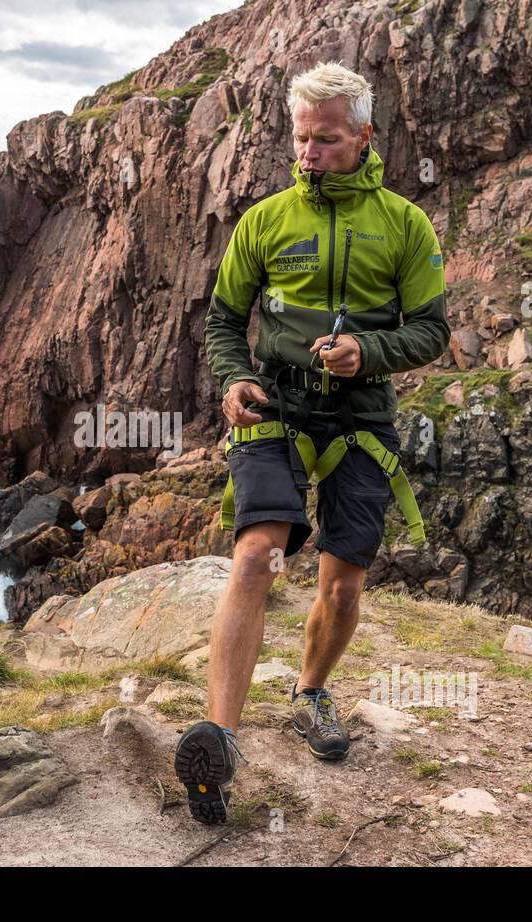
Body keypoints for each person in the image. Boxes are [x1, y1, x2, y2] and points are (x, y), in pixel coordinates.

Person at [175, 61, 449, 824]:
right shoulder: (264, 222)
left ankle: (309, 693)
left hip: (363, 416)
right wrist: (232, 381)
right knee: (258, 552)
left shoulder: (405, 225)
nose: (308, 153)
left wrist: (369, 351)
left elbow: (432, 329)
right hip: (277, 407)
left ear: (364, 136)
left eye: (325, 139)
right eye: (299, 139)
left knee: (343, 583)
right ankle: (220, 743)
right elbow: (225, 322)